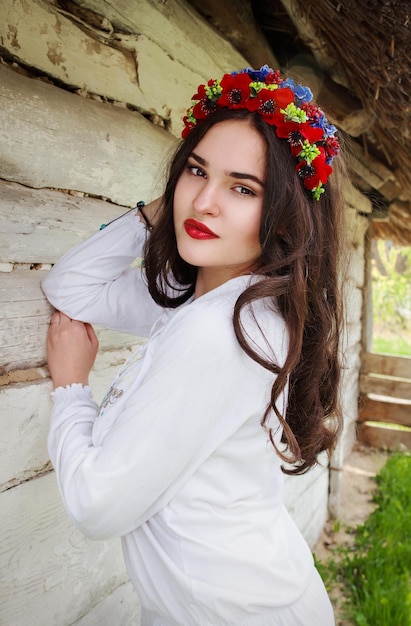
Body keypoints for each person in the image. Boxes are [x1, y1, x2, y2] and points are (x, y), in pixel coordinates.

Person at [42, 65, 344, 625]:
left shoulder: (223, 332)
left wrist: (71, 389)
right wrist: (164, 207)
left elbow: (97, 506)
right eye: (195, 171)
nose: (204, 201)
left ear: (284, 216)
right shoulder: (211, 298)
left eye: (243, 188)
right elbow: (71, 287)